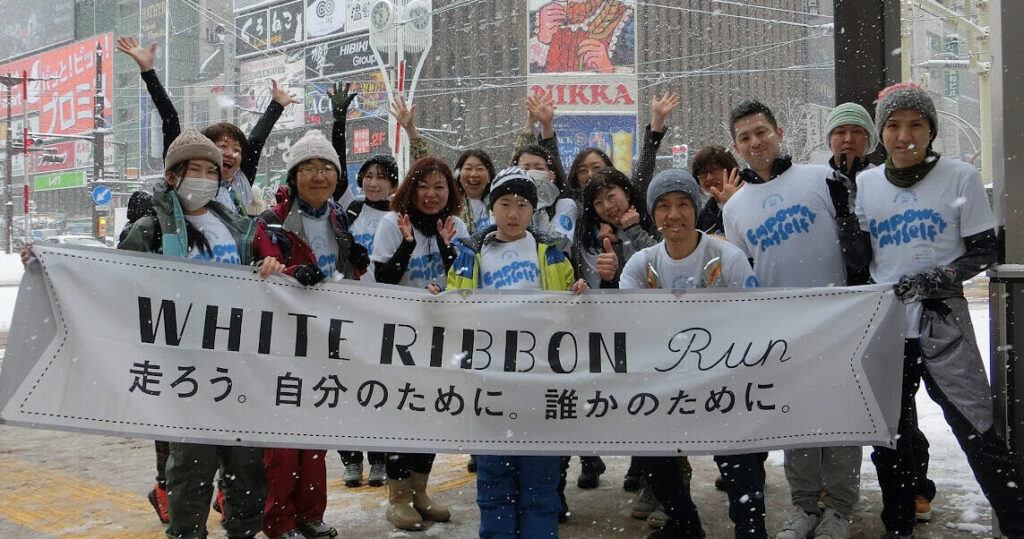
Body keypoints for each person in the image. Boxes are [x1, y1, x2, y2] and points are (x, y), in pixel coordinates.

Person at [854, 82, 1024, 539]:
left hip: (941, 322)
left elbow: (983, 249)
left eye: (915, 124)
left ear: (931, 130)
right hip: (887, 325)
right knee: (890, 436)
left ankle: (1016, 521)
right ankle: (899, 526)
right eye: (893, 125)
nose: (904, 134)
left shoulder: (958, 177)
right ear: (881, 132)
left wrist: (942, 277)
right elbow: (860, 254)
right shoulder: (866, 184)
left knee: (975, 427)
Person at [118, 129, 296, 538]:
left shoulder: (236, 227)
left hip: (239, 369)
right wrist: (50, 265)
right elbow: (115, 285)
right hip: (186, 371)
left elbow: (262, 278)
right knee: (190, 473)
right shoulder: (151, 228)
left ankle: (243, 530)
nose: (201, 177)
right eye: (191, 169)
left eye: (208, 170)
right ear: (172, 176)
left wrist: (270, 268)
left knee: (247, 469)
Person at [719, 100, 851, 539]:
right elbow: (744, 273)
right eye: (745, 137)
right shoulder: (734, 209)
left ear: (778, 131)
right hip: (783, 330)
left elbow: (857, 242)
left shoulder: (823, 179)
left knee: (841, 417)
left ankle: (840, 510)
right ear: (736, 147)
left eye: (761, 131)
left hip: (839, 320)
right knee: (797, 417)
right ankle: (803, 507)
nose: (755, 142)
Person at [615, 169, 764, 539]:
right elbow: (629, 325)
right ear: (653, 214)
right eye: (663, 206)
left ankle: (751, 529)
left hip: (723, 381)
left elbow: (754, 317)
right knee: (649, 447)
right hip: (666, 384)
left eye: (683, 204)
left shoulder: (726, 257)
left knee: (739, 462)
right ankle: (684, 522)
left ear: (696, 209)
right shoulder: (640, 264)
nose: (674, 214)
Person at [447, 167, 588, 539]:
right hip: (490, 384)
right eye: (505, 203)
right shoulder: (471, 255)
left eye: (522, 204)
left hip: (540, 383)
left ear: (533, 210)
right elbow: (452, 308)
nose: (513, 213)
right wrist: (436, 299)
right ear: (492, 208)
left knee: (541, 481)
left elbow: (569, 314)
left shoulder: (553, 255)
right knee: (494, 480)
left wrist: (579, 292)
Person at [257, 129, 370, 539]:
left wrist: (356, 263)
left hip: (327, 340)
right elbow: (261, 274)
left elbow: (348, 281)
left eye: (326, 168)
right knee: (283, 441)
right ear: (294, 175)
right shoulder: (272, 222)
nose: (318, 176)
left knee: (315, 434)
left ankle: (309, 514)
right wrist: (290, 273)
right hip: (285, 341)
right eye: (308, 167)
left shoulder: (343, 220)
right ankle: (278, 520)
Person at [371, 156, 468, 530]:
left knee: (430, 415)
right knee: (402, 414)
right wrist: (408, 244)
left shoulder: (455, 225)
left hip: (441, 335)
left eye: (439, 187)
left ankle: (420, 492)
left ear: (450, 192)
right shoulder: (391, 223)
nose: (431, 194)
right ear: (411, 188)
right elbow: (383, 278)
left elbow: (461, 276)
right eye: (423, 186)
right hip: (400, 335)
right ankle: (397, 498)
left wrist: (446, 249)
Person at [116, 36, 299, 216]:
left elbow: (257, 140)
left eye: (237, 149)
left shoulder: (241, 180)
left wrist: (276, 105)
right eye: (222, 146)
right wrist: (148, 72)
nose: (231, 153)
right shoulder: (186, 179)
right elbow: (170, 118)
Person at [690, 145, 742, 236]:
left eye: (715, 170)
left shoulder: (752, 199)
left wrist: (732, 203)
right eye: (703, 173)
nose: (709, 178)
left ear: (730, 170)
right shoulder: (702, 218)